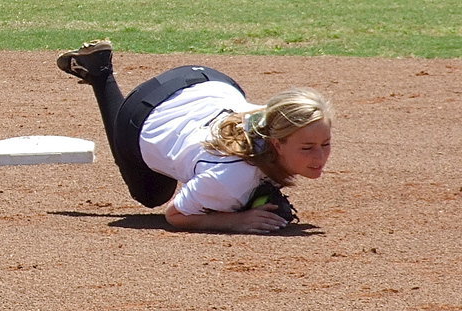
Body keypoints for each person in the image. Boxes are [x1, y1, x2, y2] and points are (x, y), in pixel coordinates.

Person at [56, 40, 332, 234]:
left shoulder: (275, 119)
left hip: (207, 80)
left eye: (325, 144)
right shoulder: (231, 180)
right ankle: (101, 72)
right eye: (307, 147)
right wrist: (235, 220)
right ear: (276, 143)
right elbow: (175, 215)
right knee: (152, 195)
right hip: (142, 113)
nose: (320, 157)